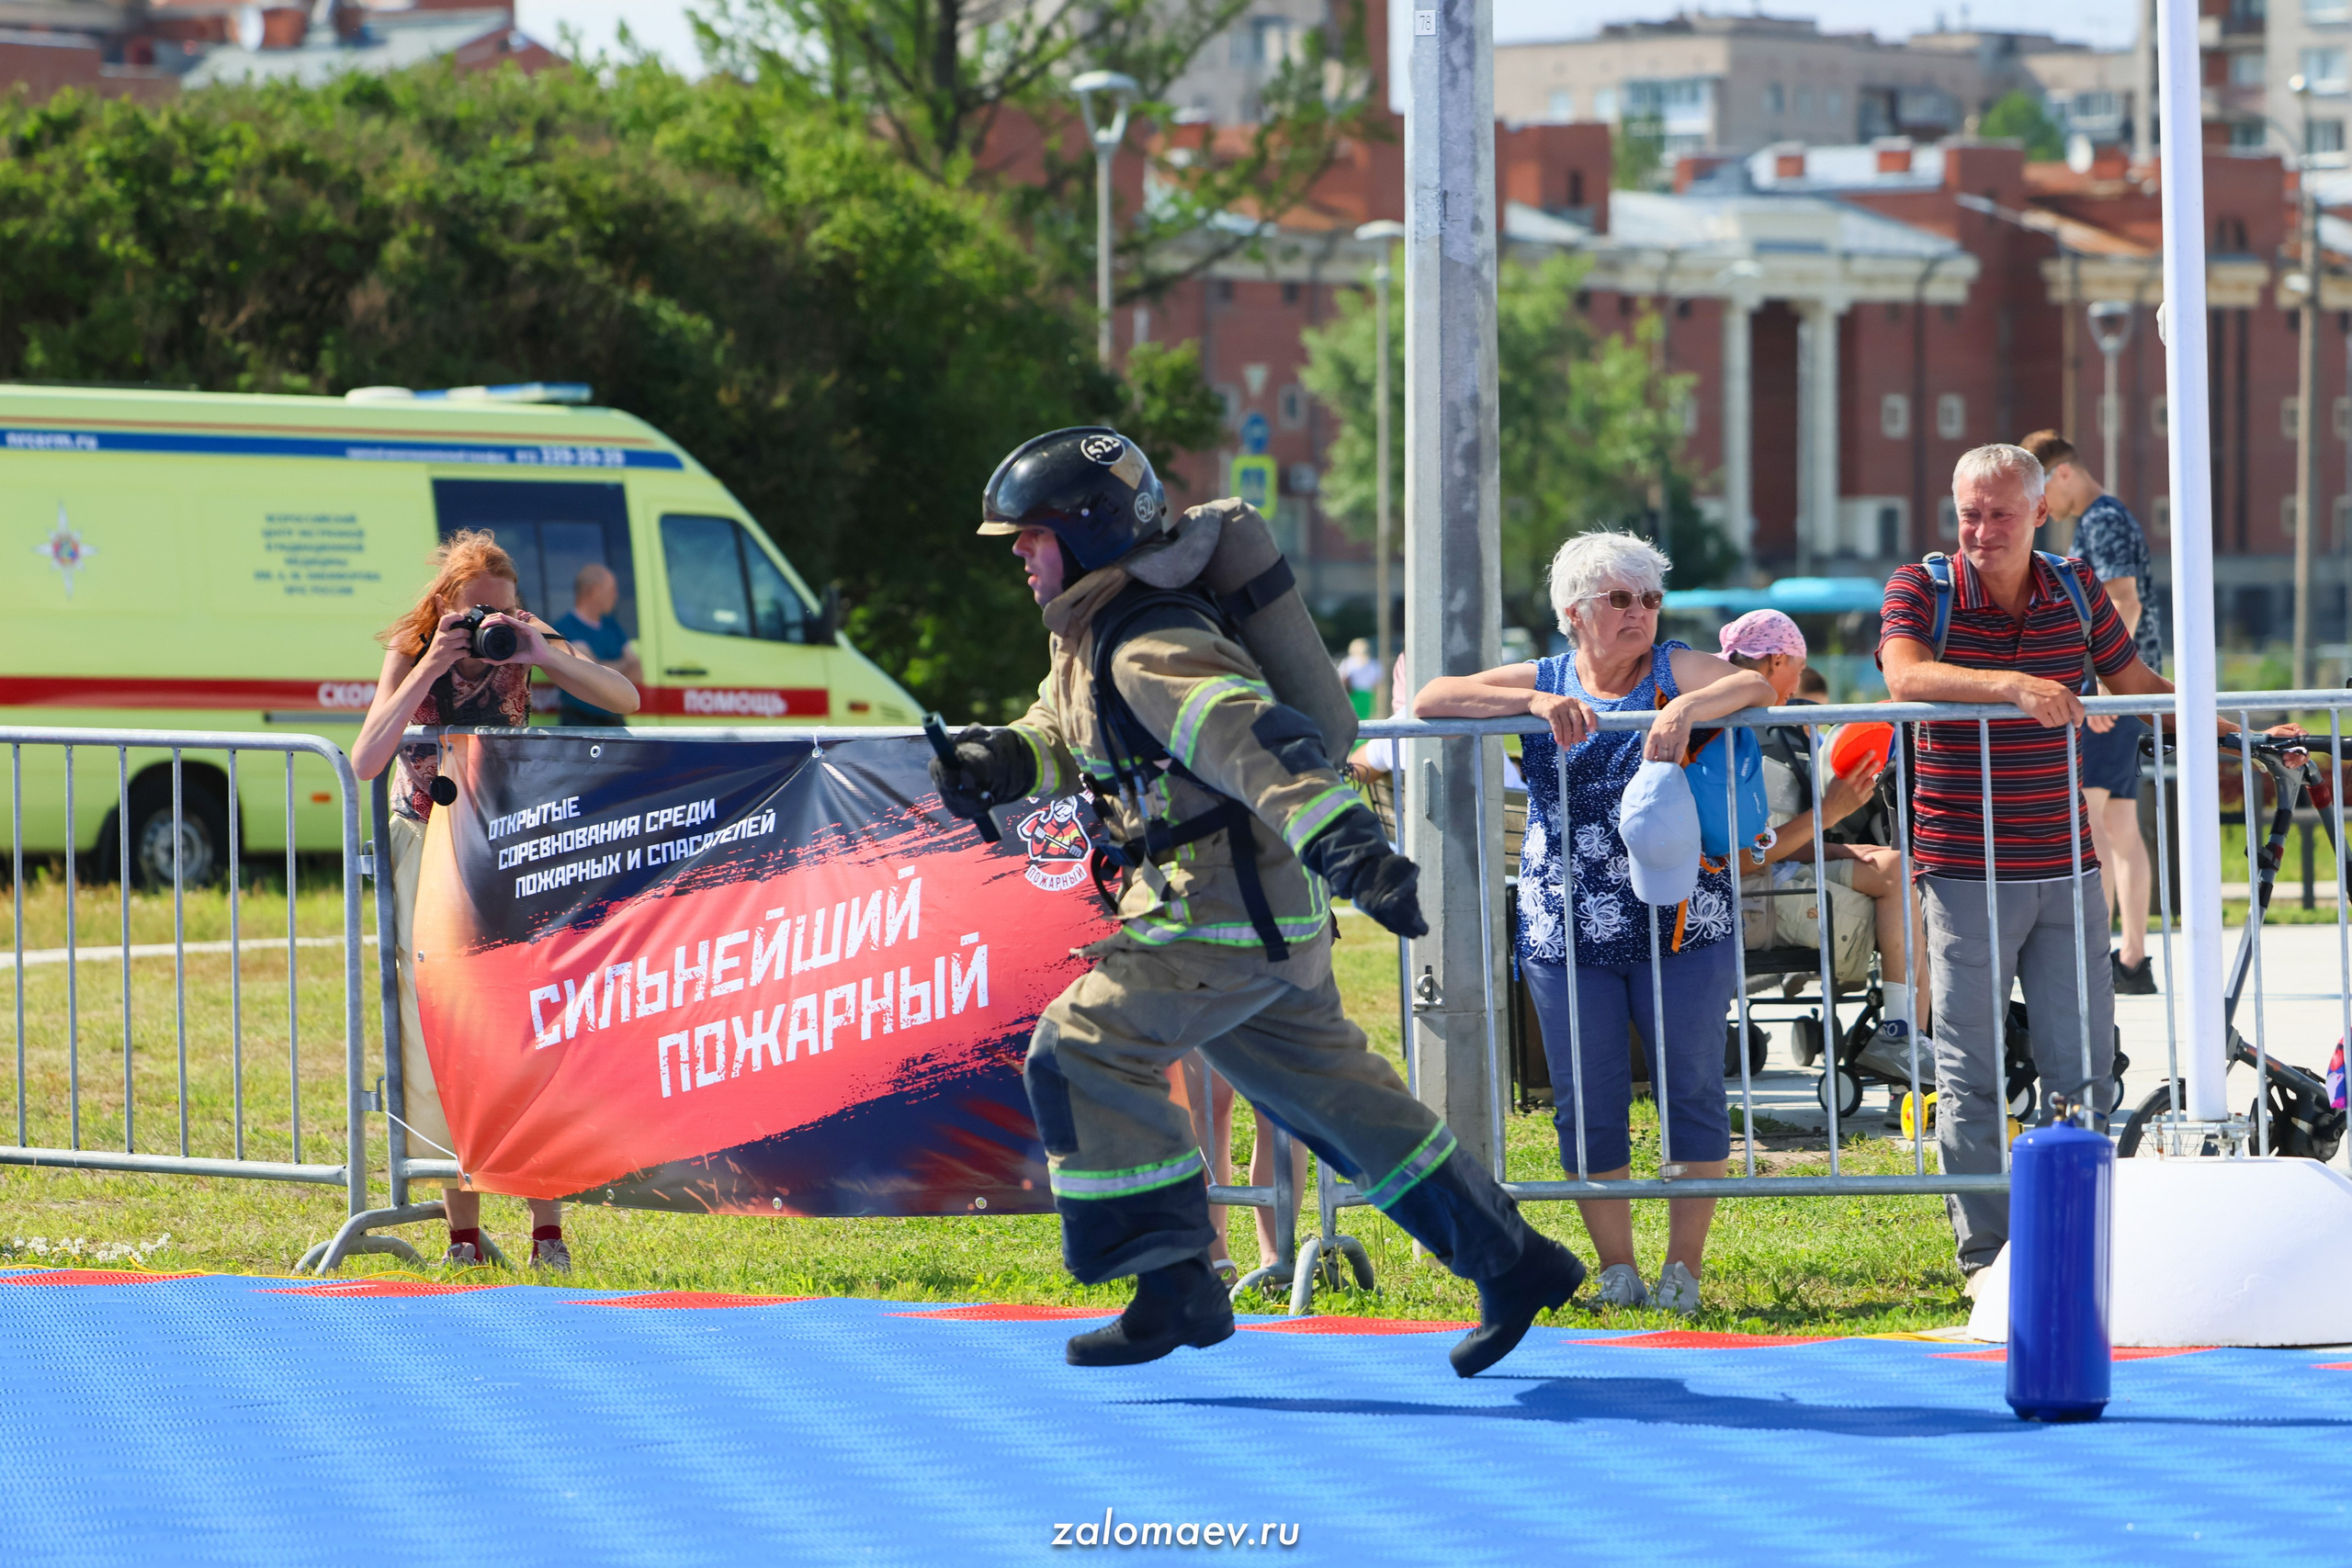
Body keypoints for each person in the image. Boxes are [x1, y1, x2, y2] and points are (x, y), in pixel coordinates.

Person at [929, 426, 1584, 1374]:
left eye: (1029, 538)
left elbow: (1261, 746)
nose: (1020, 558)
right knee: (1349, 1109)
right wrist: (1000, 756)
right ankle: (1514, 1262)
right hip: (1255, 918)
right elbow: (1060, 730)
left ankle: (1173, 1282)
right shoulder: (1091, 630)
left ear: (1088, 532)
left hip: (1216, 919)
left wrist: (1354, 849)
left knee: (1079, 1048)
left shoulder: (1152, 643)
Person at [1879, 444, 2297, 1278]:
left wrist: (2246, 730)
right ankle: (1989, 1258)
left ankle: (2077, 1239)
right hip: (1963, 868)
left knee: (2085, 1067)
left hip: (2068, 867)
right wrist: (2014, 684)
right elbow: (1903, 676)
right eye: (1968, 512)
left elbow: (2137, 680)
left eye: (2000, 513)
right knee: (1972, 1074)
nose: (1981, 530)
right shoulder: (1920, 586)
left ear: (2040, 512)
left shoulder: (2074, 584)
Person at [1414, 531, 1777, 1316]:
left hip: (1682, 915)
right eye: (1621, 599)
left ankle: (1684, 1267)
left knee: (1692, 1087)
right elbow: (1431, 698)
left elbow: (1756, 688)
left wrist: (1684, 705)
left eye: (1650, 598)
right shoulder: (1545, 676)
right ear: (1575, 612)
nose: (1640, 613)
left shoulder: (1671, 666)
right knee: (1586, 1096)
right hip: (1566, 921)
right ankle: (1619, 1267)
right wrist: (1536, 703)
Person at [351, 531, 641, 1270]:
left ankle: (549, 1233)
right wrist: (433, 663)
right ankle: (464, 1237)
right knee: (444, 1029)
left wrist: (540, 652)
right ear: (447, 603)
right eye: (477, 613)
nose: (490, 627)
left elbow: (624, 696)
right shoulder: (414, 646)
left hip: (510, 841)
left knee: (525, 1025)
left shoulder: (525, 635)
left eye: (502, 612)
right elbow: (366, 757)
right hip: (428, 835)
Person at [1716, 610, 1930, 1064]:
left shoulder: (1757, 725)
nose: (1799, 681)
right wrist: (1829, 813)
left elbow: (1769, 844)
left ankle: (1899, 1031)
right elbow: (1739, 859)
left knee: (1895, 867)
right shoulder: (1725, 734)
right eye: (1798, 664)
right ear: (1776, 660)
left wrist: (1842, 845)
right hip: (1744, 897)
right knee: (1906, 899)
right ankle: (1905, 1044)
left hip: (1771, 876)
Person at [2020, 430, 2159, 997]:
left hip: (2109, 686)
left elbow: (2123, 598)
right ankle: (2131, 958)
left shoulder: (2099, 521)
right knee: (2122, 824)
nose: (2043, 508)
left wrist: (2103, 682)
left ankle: (2092, 959)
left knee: (2094, 821)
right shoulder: (2115, 515)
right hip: (2127, 685)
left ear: (2063, 473)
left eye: (2041, 490)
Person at [551, 563, 644, 728]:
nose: (616, 596)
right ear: (594, 591)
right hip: (580, 723)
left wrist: (603, 667)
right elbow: (589, 673)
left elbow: (637, 671)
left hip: (615, 722)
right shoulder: (566, 628)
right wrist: (621, 665)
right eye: (611, 590)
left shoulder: (612, 626)